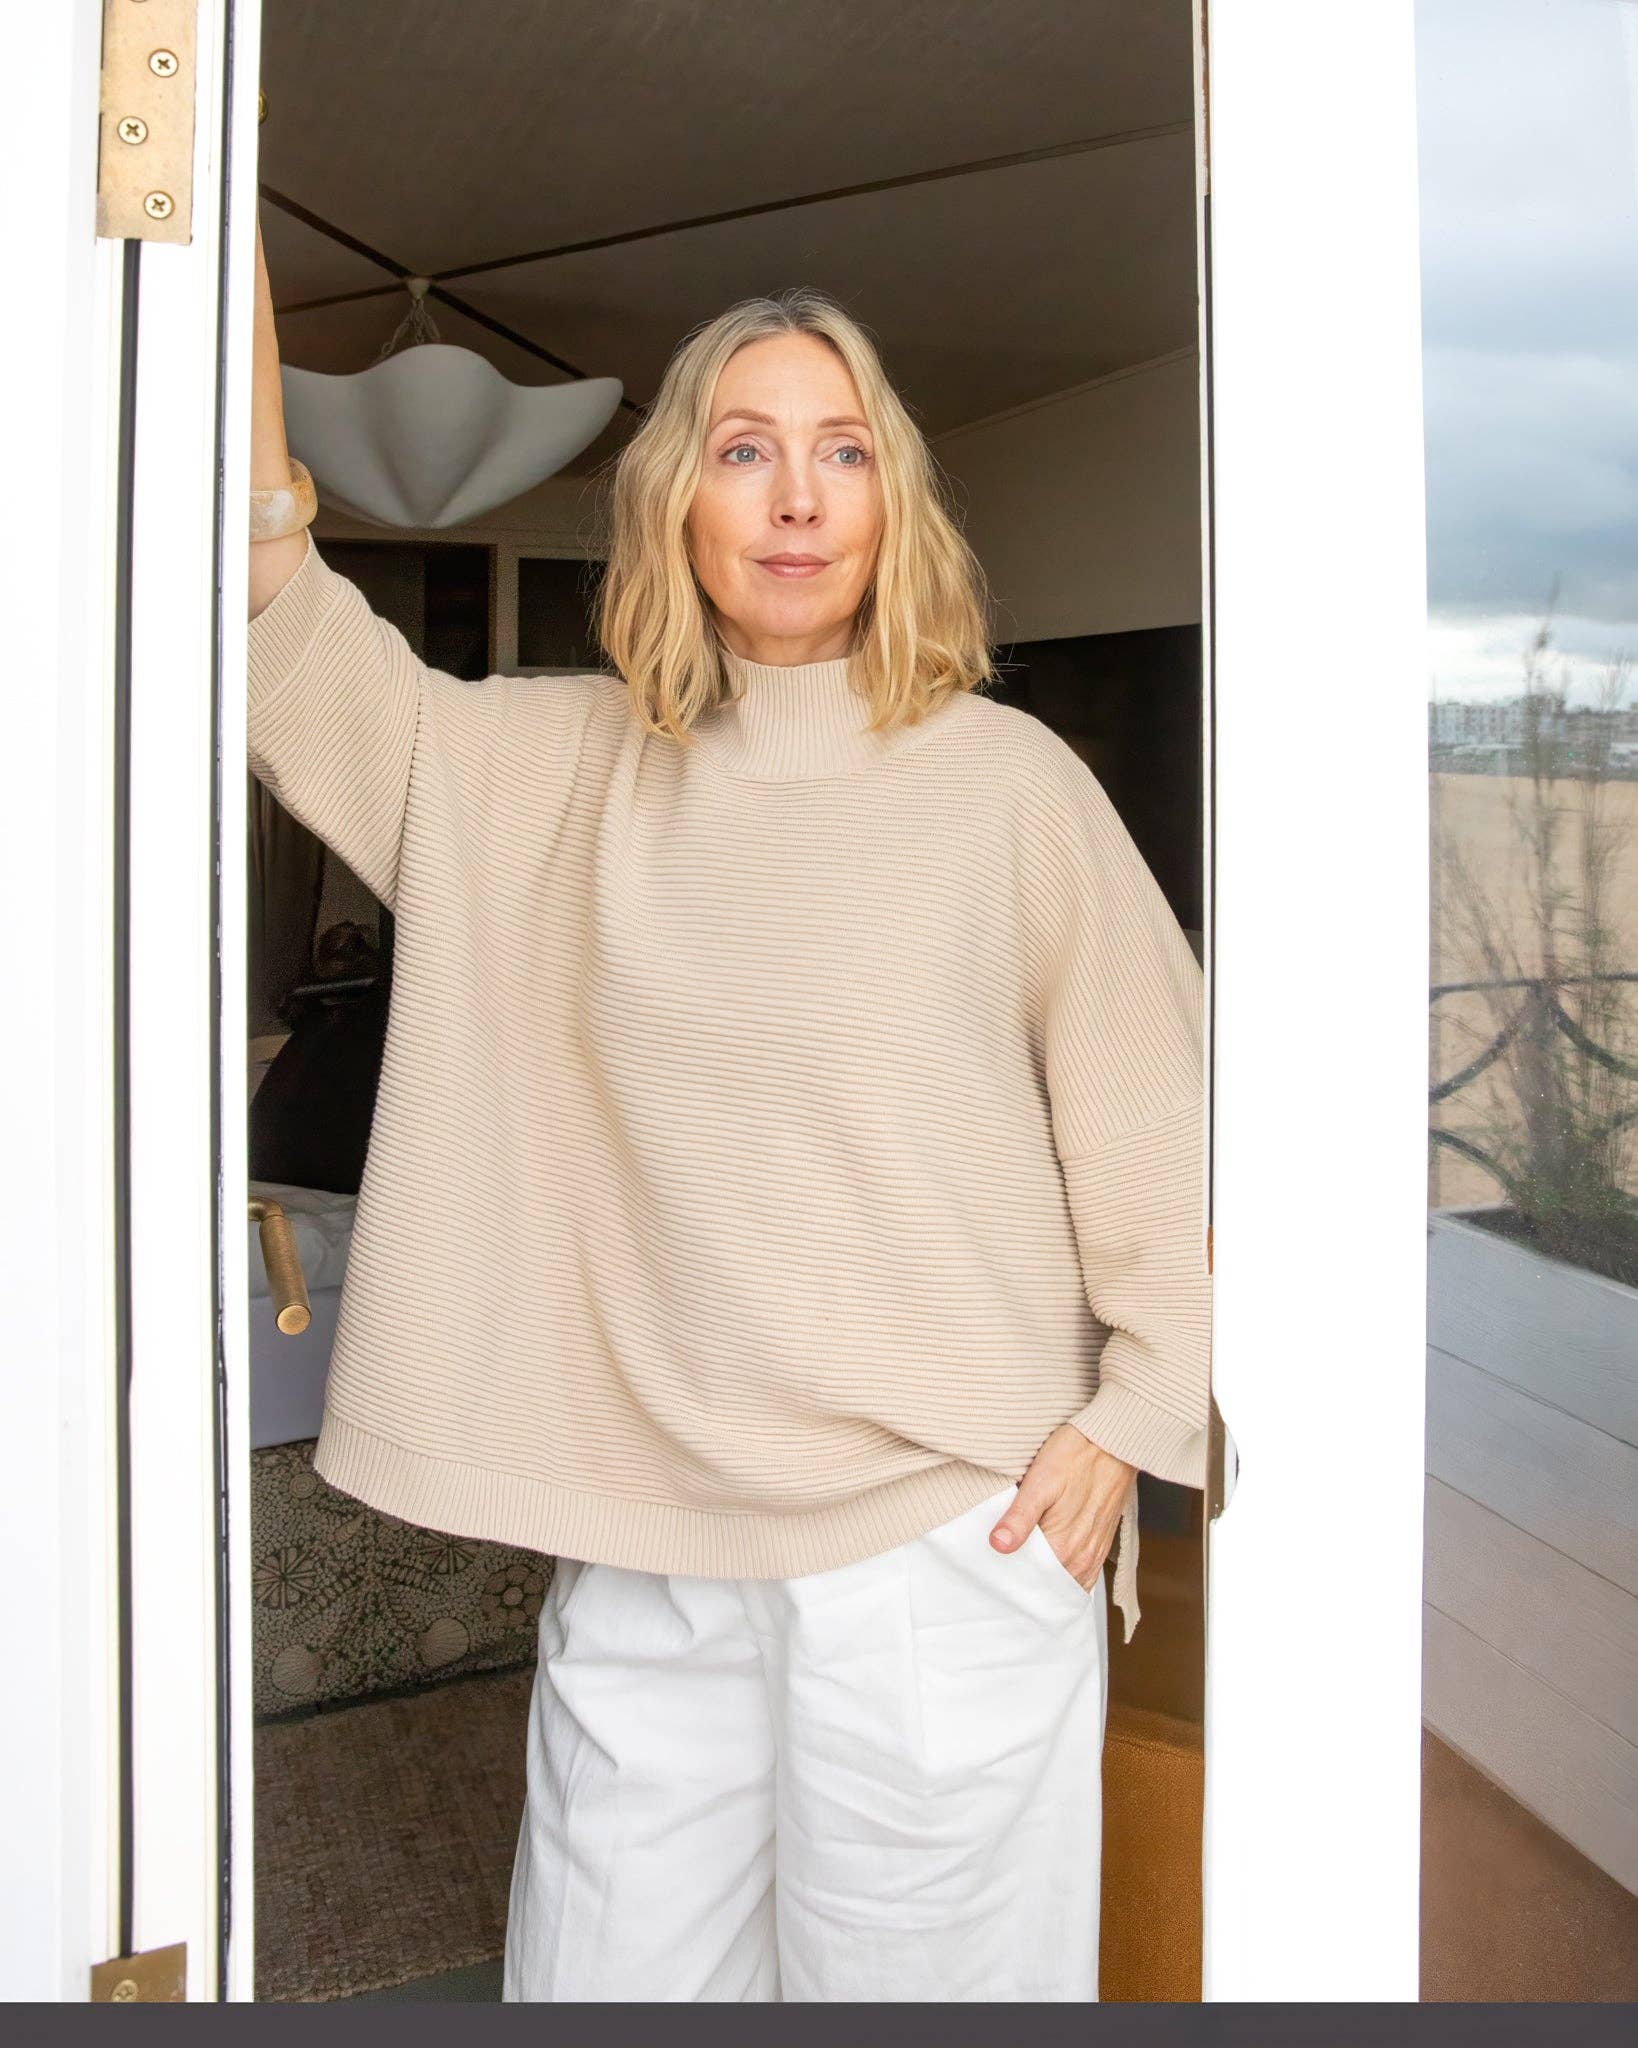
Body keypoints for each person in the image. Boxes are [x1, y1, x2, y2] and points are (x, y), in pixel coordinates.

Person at [247, 206, 1215, 2002]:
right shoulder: (542, 767)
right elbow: (278, 620)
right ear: (675, 501)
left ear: (890, 502)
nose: (795, 498)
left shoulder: (1005, 784)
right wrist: (201, 184)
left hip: (945, 1535)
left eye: (841, 452)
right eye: (744, 449)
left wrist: (1139, 1407)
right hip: (647, 1542)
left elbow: (1154, 1108)